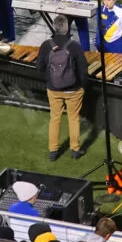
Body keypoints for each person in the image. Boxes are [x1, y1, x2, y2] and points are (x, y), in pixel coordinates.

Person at [39, 19, 87, 161]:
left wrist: (50, 79)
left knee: (55, 118)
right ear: (67, 29)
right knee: (74, 118)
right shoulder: (75, 46)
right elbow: (83, 70)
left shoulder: (46, 45)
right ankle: (75, 150)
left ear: (54, 28)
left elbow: (39, 67)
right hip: (73, 90)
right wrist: (83, 86)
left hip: (53, 89)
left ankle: (53, 151)